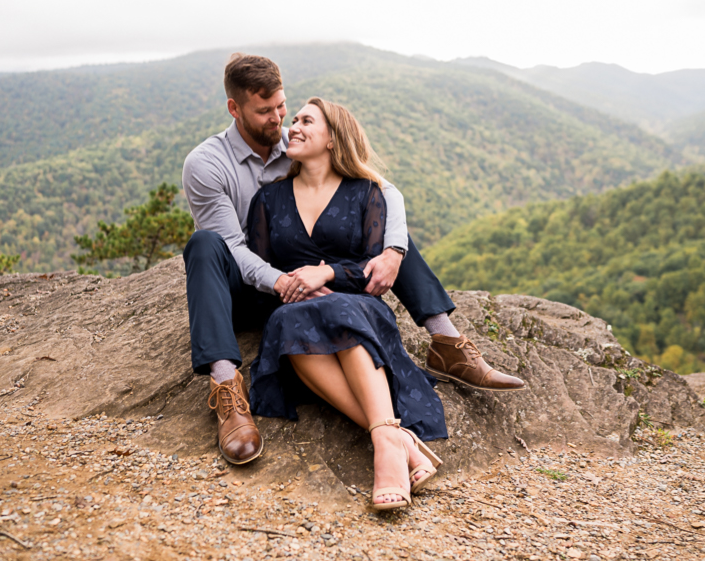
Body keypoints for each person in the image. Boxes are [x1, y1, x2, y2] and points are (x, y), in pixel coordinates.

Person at [181, 53, 523, 467]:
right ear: (234, 108)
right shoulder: (206, 164)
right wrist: (285, 282)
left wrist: (393, 252)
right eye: (264, 111)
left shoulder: (295, 142)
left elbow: (381, 189)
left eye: (281, 108)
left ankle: (446, 342)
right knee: (204, 244)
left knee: (389, 231)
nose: (278, 120)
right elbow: (233, 247)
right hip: (248, 289)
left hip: (314, 282)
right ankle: (227, 393)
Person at [247, 97, 446, 509]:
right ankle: (393, 438)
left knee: (339, 309)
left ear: (334, 139)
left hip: (357, 304)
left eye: (306, 121)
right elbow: (262, 269)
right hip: (294, 309)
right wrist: (292, 285)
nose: (293, 127)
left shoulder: (367, 193)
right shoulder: (267, 200)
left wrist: (329, 274)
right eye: (294, 119)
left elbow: (374, 271)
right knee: (290, 322)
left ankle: (387, 449)